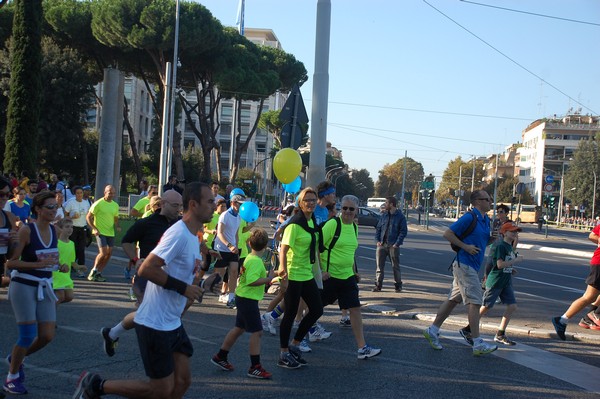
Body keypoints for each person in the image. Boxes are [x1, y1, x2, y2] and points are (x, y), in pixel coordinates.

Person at [73, 182, 213, 399]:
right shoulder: (178, 234)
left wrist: (202, 281)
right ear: (193, 205)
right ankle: (96, 385)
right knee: (161, 389)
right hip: (155, 323)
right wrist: (184, 288)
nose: (215, 206)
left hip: (173, 322)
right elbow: (147, 268)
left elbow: (184, 273)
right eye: (210, 201)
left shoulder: (193, 236)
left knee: (183, 381)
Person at [100, 190, 183, 357]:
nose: (179, 209)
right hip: (147, 275)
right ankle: (158, 351)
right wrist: (135, 259)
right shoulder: (147, 223)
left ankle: (112, 333)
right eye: (175, 205)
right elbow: (126, 241)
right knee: (153, 312)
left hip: (169, 275)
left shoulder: (179, 224)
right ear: (163, 204)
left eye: (181, 206)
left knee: (151, 312)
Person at [4, 192, 69, 395]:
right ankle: (11, 377)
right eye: (49, 207)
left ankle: (16, 358)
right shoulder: (27, 231)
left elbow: (51, 259)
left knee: (47, 335)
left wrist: (62, 266)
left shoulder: (55, 231)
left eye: (55, 207)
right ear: (38, 210)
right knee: (27, 335)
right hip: (23, 285)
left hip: (45, 285)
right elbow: (11, 263)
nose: (53, 210)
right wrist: (37, 264)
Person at [423, 190, 498, 356]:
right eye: (487, 199)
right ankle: (477, 343)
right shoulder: (470, 217)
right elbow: (447, 233)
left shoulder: (485, 219)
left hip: (470, 265)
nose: (490, 201)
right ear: (477, 202)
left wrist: (490, 240)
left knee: (452, 300)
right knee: (475, 302)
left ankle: (432, 330)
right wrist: (465, 247)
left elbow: (478, 242)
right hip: (465, 265)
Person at [320, 195, 381, 359]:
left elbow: (350, 252)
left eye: (351, 209)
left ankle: (362, 348)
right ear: (340, 209)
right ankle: (299, 341)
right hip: (330, 276)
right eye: (344, 208)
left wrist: (354, 271)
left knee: (355, 309)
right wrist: (320, 271)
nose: (347, 211)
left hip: (347, 276)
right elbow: (316, 248)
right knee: (315, 309)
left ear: (356, 211)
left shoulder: (354, 227)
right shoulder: (332, 225)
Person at [211, 229, 275, 379]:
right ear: (265, 246)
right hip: (248, 299)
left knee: (239, 328)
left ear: (249, 243)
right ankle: (255, 366)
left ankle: (221, 356)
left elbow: (250, 278)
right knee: (257, 332)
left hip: (243, 297)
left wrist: (273, 275)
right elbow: (253, 281)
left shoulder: (250, 258)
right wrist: (269, 279)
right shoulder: (256, 261)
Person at [277, 187, 323, 369]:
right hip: (293, 273)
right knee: (289, 313)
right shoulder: (295, 223)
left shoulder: (311, 222)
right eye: (307, 200)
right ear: (300, 203)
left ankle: (295, 344)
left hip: (306, 273)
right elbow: (284, 248)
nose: (310, 203)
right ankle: (283, 353)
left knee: (317, 309)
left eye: (313, 200)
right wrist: (283, 271)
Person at [460, 222, 522, 346]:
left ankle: (500, 334)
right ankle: (468, 329)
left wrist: (511, 269)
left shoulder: (509, 247)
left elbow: (505, 263)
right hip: (496, 281)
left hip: (506, 281)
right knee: (486, 306)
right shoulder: (500, 245)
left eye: (516, 232)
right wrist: (515, 261)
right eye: (512, 231)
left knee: (512, 306)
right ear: (504, 233)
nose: (515, 234)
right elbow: (499, 264)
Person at [552, 220, 600, 340]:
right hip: (599, 263)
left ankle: (591, 316)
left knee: (591, 296)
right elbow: (592, 235)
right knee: (589, 297)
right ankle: (562, 320)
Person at [213, 194, 245, 308]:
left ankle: (231, 298)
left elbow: (236, 233)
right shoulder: (224, 215)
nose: (241, 206)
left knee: (234, 272)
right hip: (221, 248)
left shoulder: (239, 217)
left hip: (232, 250)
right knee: (219, 275)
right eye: (239, 204)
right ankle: (212, 289)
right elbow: (220, 233)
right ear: (233, 203)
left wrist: (235, 246)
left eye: (242, 204)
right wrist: (229, 245)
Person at [86, 185, 120, 282]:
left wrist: (117, 225)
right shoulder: (98, 203)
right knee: (103, 253)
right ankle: (94, 270)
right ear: (105, 193)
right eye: (110, 193)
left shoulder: (115, 205)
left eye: (113, 193)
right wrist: (94, 228)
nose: (111, 195)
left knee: (109, 254)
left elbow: (116, 218)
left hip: (110, 232)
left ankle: (99, 273)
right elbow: (88, 217)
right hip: (100, 232)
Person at [373, 196, 408, 293]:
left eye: (386, 203)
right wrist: (377, 241)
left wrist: (397, 243)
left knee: (395, 266)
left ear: (392, 204)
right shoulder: (384, 215)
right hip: (382, 245)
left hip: (393, 245)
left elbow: (403, 231)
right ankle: (378, 285)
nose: (385, 204)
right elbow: (378, 229)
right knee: (379, 267)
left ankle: (398, 286)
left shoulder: (400, 217)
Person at [53, 218, 87, 304]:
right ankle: (48, 313)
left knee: (69, 296)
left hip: (66, 275)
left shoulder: (71, 243)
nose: (70, 229)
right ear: (60, 229)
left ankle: (49, 308)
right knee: (60, 296)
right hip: (56, 274)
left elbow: (72, 261)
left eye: (71, 227)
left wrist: (79, 267)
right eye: (67, 227)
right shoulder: (55, 243)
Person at [64, 186, 91, 270]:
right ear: (74, 194)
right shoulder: (71, 202)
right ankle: (71, 265)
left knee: (81, 249)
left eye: (81, 193)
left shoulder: (86, 203)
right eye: (77, 193)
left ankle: (81, 268)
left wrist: (90, 226)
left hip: (83, 228)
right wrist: (72, 217)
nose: (79, 195)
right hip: (73, 228)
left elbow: (88, 215)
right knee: (73, 248)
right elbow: (65, 214)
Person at [0, 178, 18, 291]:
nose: (5, 198)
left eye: (7, 194)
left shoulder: (10, 217)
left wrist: (13, 241)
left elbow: (10, 255)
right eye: (1, 194)